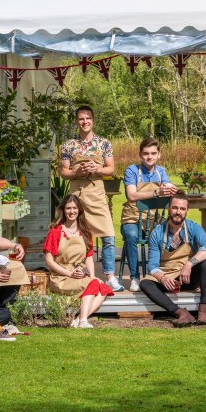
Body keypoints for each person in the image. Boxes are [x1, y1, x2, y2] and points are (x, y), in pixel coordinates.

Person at [59, 105, 122, 292]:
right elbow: (63, 172)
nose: (85, 122)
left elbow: (111, 169)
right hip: (77, 196)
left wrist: (97, 169)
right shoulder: (68, 145)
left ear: (93, 120)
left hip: (97, 195)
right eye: (81, 119)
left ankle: (110, 276)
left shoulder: (104, 143)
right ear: (76, 122)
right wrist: (76, 171)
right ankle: (82, 275)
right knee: (79, 237)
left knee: (109, 236)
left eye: (88, 118)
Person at [140, 191, 206, 327]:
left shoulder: (193, 227)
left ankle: (204, 310)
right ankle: (180, 313)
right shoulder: (157, 232)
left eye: (182, 209)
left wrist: (188, 265)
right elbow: (152, 266)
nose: (178, 212)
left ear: (186, 211)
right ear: (169, 208)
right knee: (145, 284)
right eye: (175, 208)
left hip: (188, 277)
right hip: (168, 279)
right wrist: (162, 277)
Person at [44, 194, 113, 328]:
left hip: (79, 275)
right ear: (63, 210)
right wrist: (69, 274)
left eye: (74, 208)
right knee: (94, 284)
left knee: (104, 288)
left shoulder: (85, 233)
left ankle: (78, 319)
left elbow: (88, 258)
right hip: (61, 277)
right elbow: (49, 261)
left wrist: (92, 276)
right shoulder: (56, 232)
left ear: (79, 210)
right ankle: (82, 321)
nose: (72, 211)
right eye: (68, 208)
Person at [120, 138, 177, 292]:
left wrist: (172, 189)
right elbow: (131, 195)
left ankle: (161, 274)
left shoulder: (161, 172)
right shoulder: (132, 170)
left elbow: (169, 186)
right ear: (140, 154)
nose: (149, 157)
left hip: (154, 219)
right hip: (133, 218)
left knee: (169, 234)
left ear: (159, 155)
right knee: (131, 235)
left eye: (153, 153)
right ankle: (134, 277)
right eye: (146, 153)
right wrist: (157, 192)